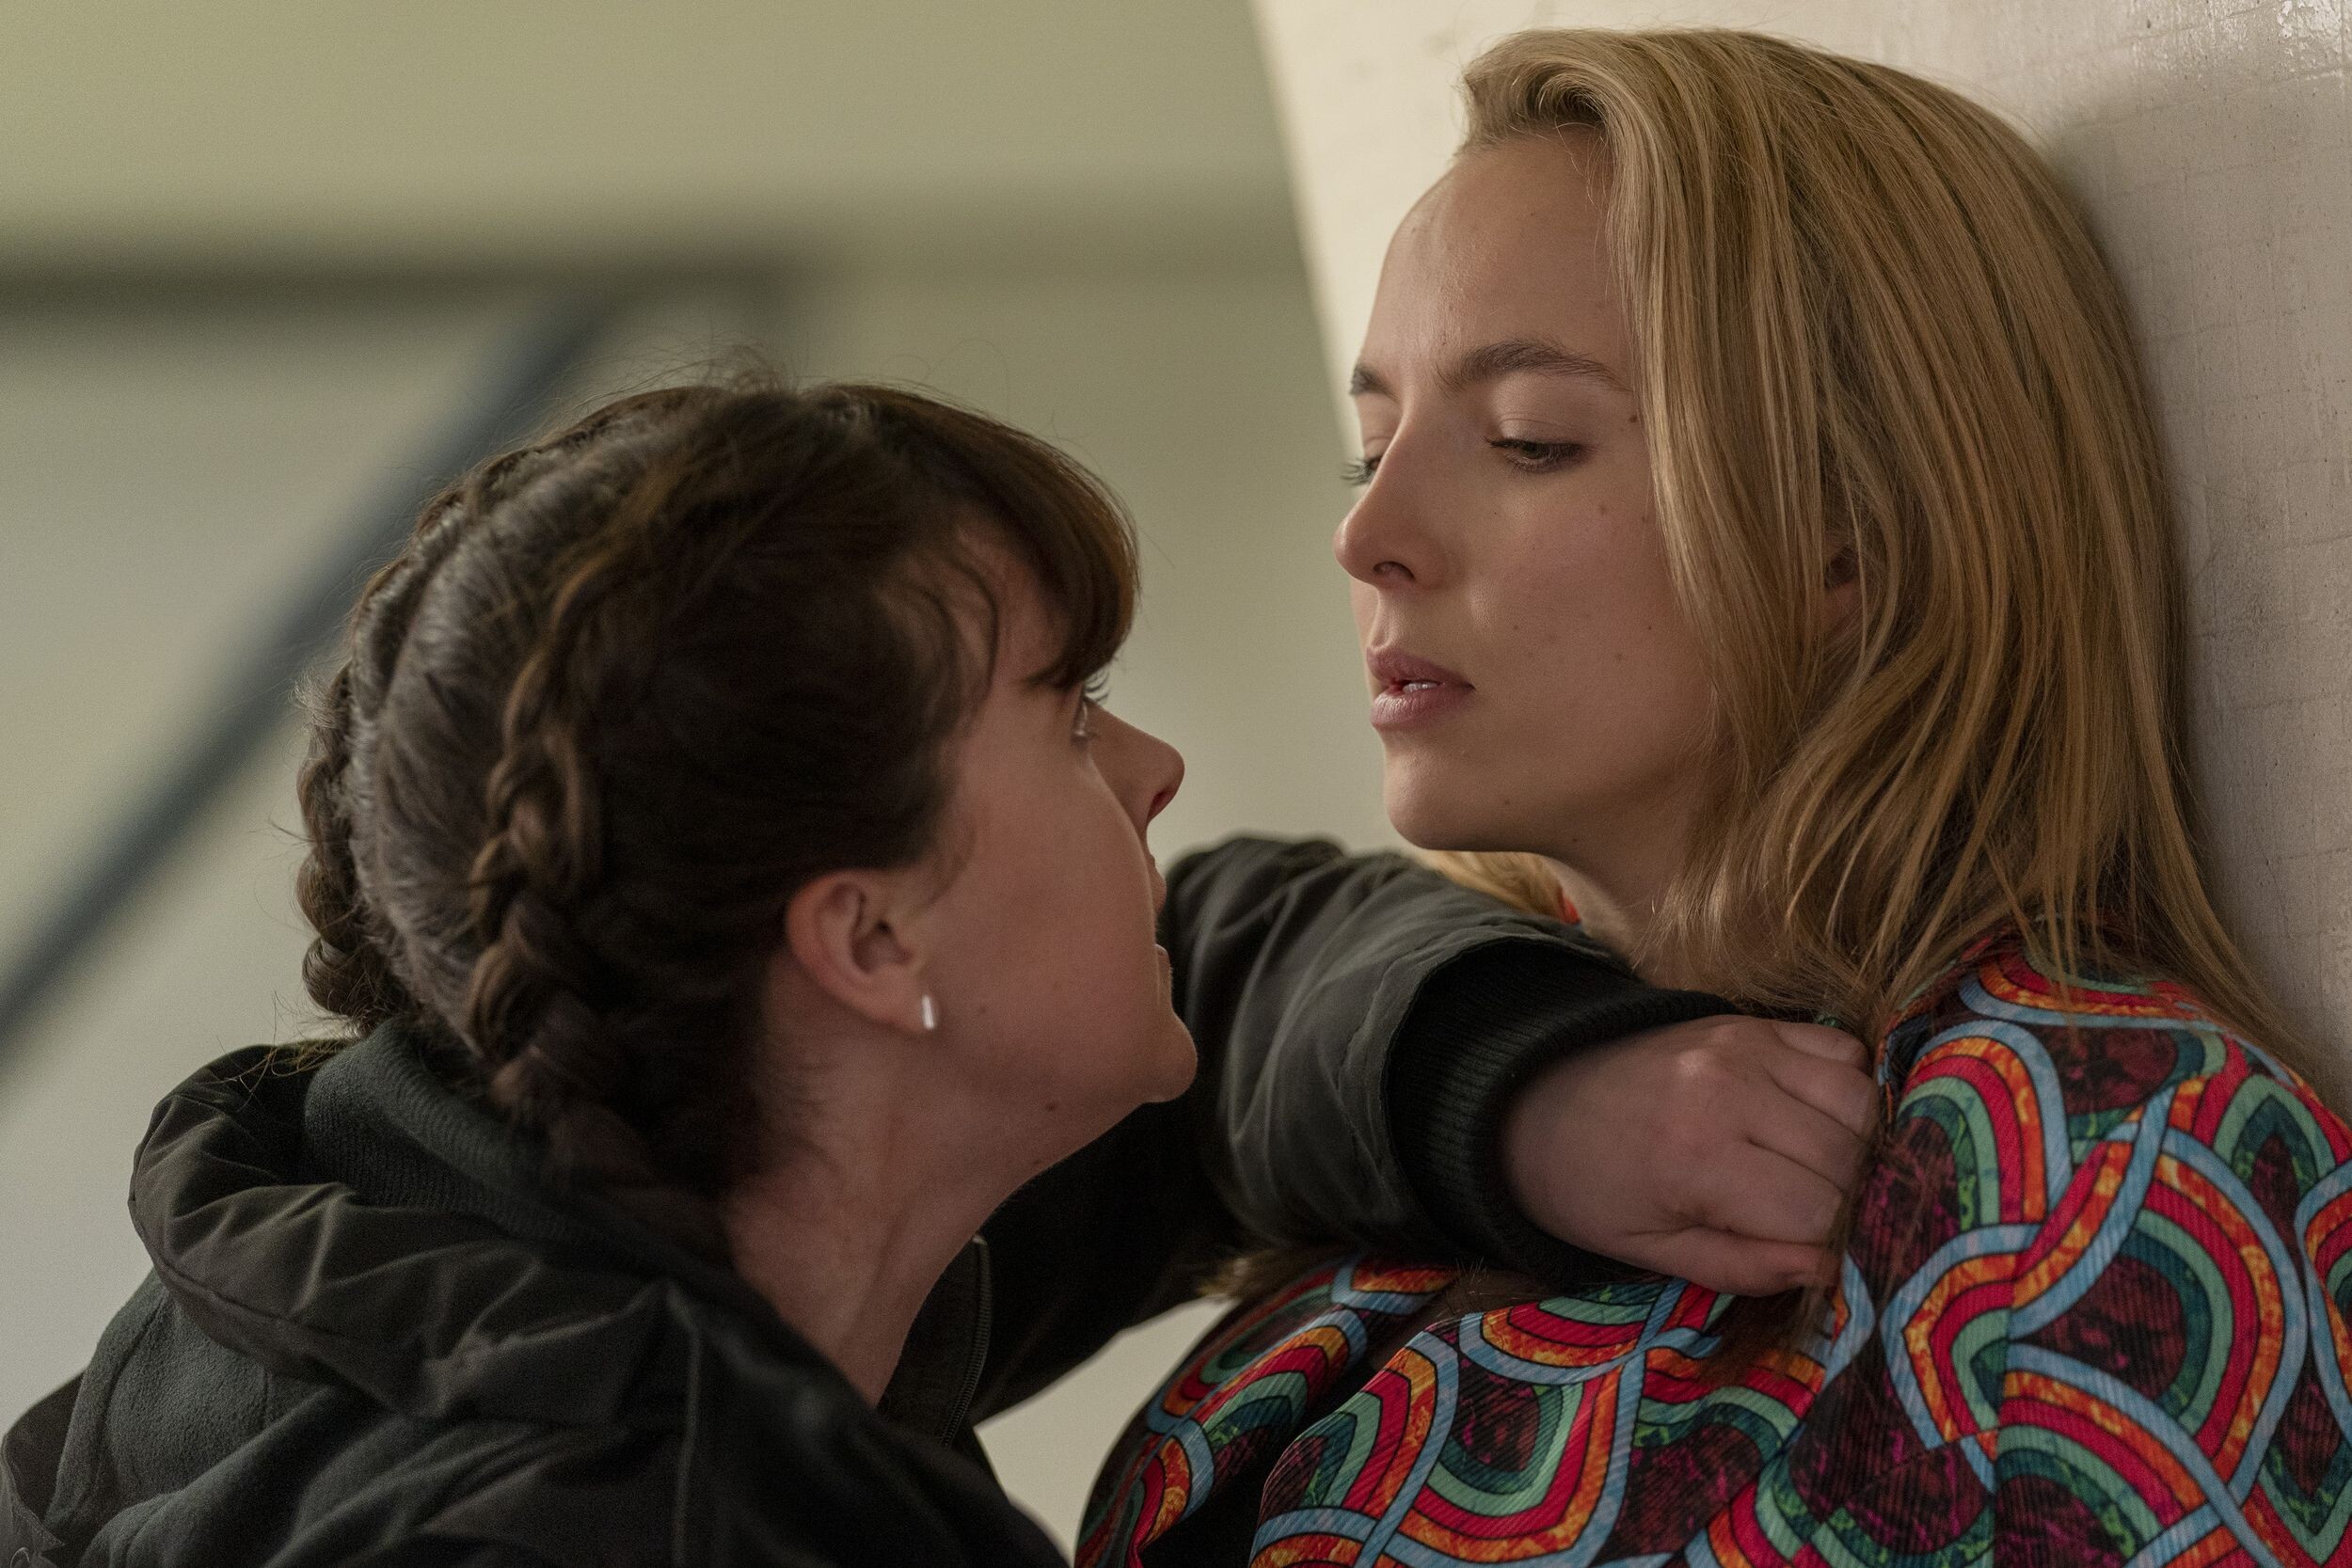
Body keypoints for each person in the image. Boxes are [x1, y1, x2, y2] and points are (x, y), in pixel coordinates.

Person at [0, 379, 1866, 1567]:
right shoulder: (635, 1517)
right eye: (1070, 716)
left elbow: (1221, 964)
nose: (1154, 771)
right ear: (869, 940)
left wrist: (1518, 1086)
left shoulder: (564, 1223)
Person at [1081, 27, 2352, 1568]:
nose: (1370, 536)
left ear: (1849, 533)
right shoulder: (1416, 1091)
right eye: (1369, 449)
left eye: (1528, 440)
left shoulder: (2118, 1165)